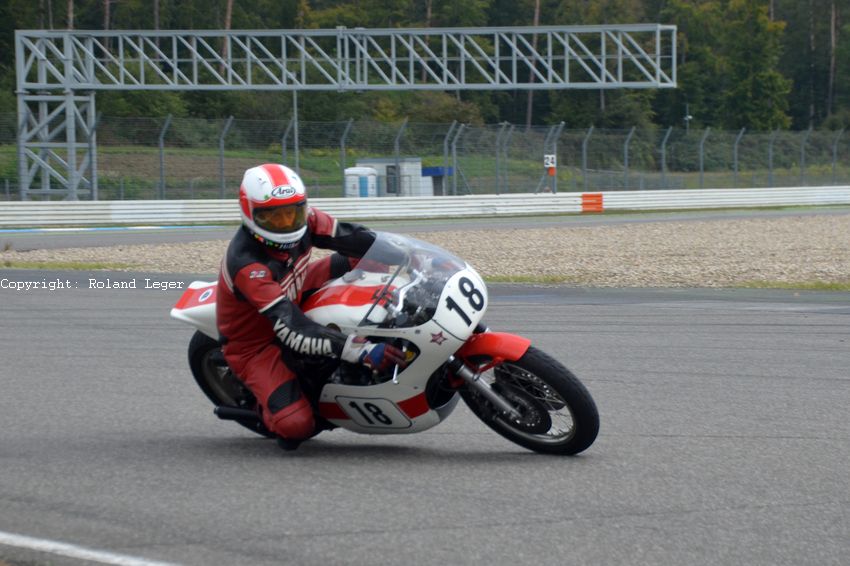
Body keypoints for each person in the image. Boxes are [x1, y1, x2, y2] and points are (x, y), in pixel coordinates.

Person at [216, 163, 407, 449]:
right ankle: (264, 410)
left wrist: (405, 254)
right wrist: (361, 350)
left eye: (292, 212)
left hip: (297, 287)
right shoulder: (248, 264)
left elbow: (351, 236)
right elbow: (290, 327)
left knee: (370, 259)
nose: (286, 223)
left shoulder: (307, 221)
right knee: (296, 426)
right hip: (256, 340)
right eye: (274, 217)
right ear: (250, 213)